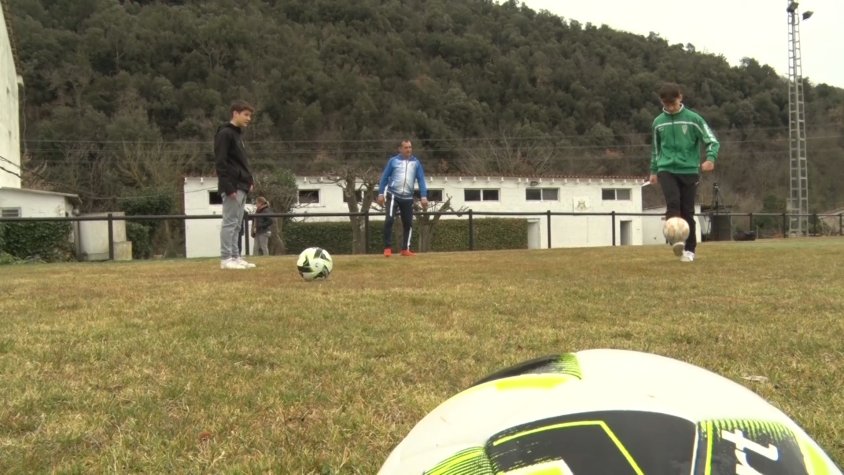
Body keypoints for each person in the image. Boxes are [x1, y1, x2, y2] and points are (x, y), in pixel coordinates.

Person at [649, 83, 720, 262]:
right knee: (673, 204)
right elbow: (655, 149)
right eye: (666, 105)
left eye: (673, 104)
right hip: (666, 169)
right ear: (661, 102)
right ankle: (675, 241)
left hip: (689, 169)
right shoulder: (658, 122)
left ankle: (690, 250)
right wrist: (654, 170)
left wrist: (710, 158)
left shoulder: (693, 119)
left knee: (687, 210)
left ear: (680, 98)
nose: (670, 108)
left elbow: (711, 140)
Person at [215, 100, 257, 269]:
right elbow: (221, 162)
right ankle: (226, 258)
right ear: (235, 113)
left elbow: (241, 162)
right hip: (232, 186)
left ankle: (235, 256)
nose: (249, 119)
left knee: (238, 224)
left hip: (242, 185)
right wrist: (228, 186)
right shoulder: (225, 134)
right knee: (230, 222)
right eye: (245, 115)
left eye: (250, 116)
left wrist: (249, 180)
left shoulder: (238, 135)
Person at [376, 139, 428, 257]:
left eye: (410, 147)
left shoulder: (416, 163)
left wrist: (423, 196)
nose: (408, 149)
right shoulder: (393, 161)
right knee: (389, 220)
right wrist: (380, 194)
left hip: (408, 197)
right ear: (400, 149)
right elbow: (384, 177)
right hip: (393, 194)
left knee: (408, 223)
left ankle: (405, 249)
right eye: (406, 147)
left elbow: (421, 180)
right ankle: (387, 248)